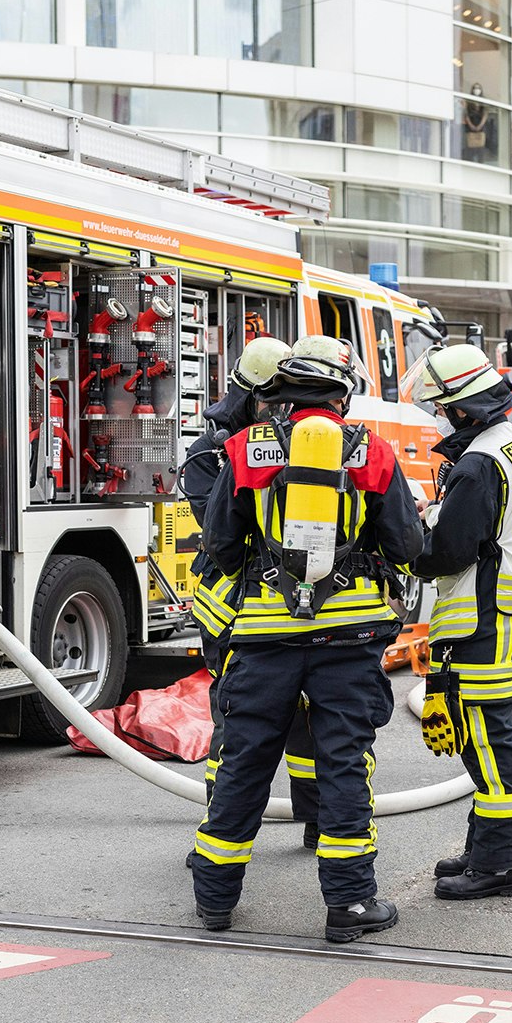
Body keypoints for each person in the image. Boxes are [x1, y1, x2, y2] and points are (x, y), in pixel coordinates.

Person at [193, 336, 423, 943]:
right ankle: (349, 906)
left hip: (263, 637)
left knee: (243, 763)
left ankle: (215, 899)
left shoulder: (247, 447)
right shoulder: (370, 452)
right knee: (344, 764)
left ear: (282, 390)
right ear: (341, 394)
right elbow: (406, 545)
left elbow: (218, 544)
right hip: (349, 638)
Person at [409, 343, 512, 900]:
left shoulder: (477, 466)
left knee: (488, 744)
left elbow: (447, 553)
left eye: (444, 409)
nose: (440, 418)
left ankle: (500, 866)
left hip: (483, 621)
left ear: (463, 409)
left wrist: (413, 538)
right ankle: (484, 848)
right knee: (499, 735)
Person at [182, 335, 322, 849]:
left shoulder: (303, 440)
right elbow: (220, 533)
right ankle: (221, 831)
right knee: (237, 723)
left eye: (283, 401)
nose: (277, 412)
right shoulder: (211, 453)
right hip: (231, 611)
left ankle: (317, 820)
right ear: (246, 397)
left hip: (294, 604)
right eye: (268, 402)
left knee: (309, 720)